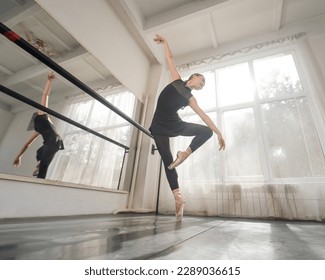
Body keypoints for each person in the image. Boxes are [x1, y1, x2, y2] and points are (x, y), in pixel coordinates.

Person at [149, 34, 226, 222]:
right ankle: (178, 197)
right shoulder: (176, 79)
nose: (202, 85)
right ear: (194, 77)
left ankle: (185, 154)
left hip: (175, 124)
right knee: (168, 162)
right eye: (202, 81)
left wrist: (218, 132)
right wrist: (166, 42)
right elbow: (170, 59)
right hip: (159, 125)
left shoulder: (191, 98)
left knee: (205, 131)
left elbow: (204, 116)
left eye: (203, 86)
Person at [13, 72, 64, 179]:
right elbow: (45, 95)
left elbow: (27, 144)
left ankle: (40, 168)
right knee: (40, 153)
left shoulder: (37, 128)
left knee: (42, 158)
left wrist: (19, 157)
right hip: (54, 142)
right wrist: (49, 81)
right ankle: (40, 167)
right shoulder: (42, 115)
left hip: (53, 143)